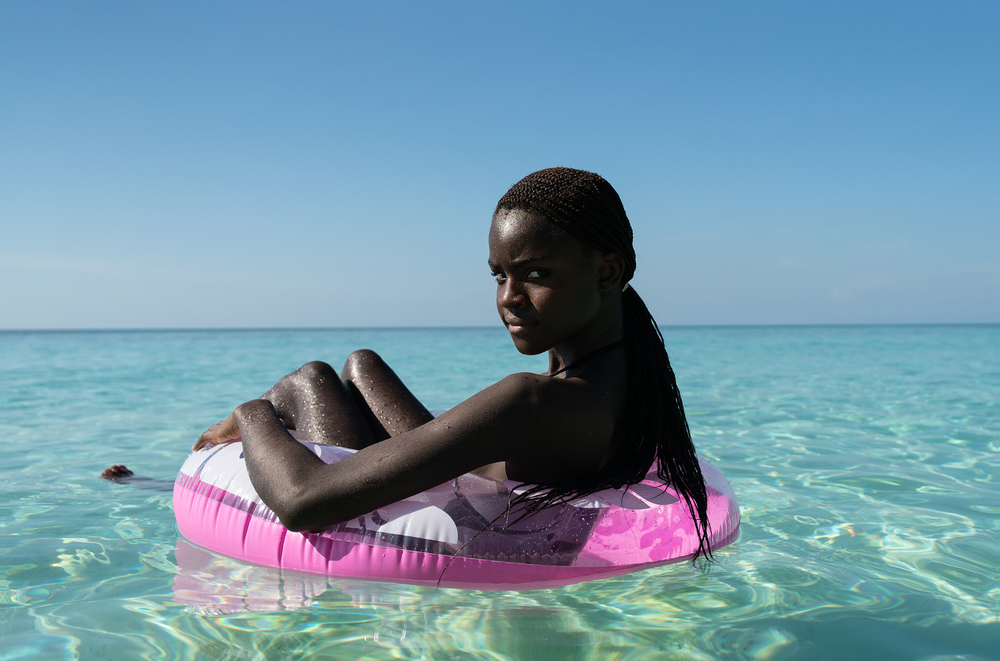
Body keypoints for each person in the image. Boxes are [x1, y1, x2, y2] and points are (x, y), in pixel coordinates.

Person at [108, 168, 712, 557]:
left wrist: (253, 413)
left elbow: (303, 503)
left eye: (535, 274)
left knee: (308, 382)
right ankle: (153, 480)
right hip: (475, 475)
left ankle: (178, 469)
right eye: (498, 276)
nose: (508, 298)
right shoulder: (628, 378)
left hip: (435, 498)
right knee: (361, 365)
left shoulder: (535, 400)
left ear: (607, 271)